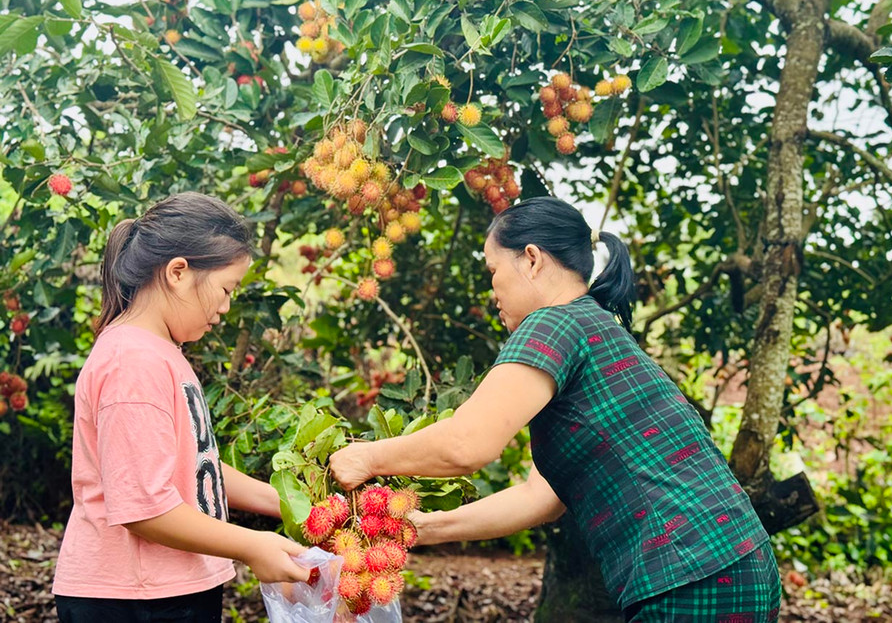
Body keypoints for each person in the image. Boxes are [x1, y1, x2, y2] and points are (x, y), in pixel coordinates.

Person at [330, 196, 781, 622]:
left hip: (690, 572)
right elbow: (539, 499)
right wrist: (423, 528)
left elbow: (467, 443)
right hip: (736, 563)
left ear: (531, 258)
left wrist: (365, 457)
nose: (493, 290)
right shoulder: (595, 327)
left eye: (492, 270)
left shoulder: (554, 322)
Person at [53, 193, 309, 623]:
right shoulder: (132, 361)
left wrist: (292, 503)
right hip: (131, 599)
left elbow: (190, 466)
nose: (226, 307)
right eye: (226, 289)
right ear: (177, 273)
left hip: (167, 590)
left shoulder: (161, 352)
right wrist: (252, 545)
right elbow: (143, 509)